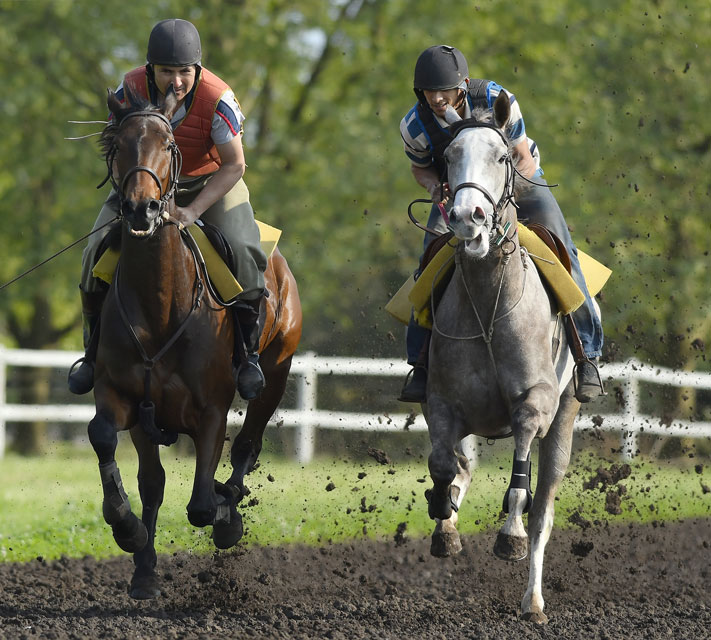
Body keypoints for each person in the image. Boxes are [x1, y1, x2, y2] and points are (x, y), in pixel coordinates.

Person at [68, 18, 268, 401]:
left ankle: (249, 356)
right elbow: (114, 151)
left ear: (197, 69)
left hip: (209, 182)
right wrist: (130, 191)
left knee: (244, 249)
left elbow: (235, 165)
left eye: (184, 72)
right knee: (93, 250)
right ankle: (91, 352)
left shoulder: (219, 99)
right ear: (149, 69)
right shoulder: (128, 89)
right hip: (143, 183)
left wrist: (193, 211)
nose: (175, 81)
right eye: (165, 72)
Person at [398, 44, 604, 404]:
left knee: (563, 249)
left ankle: (587, 356)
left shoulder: (498, 98)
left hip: (517, 183)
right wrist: (436, 188)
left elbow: (522, 157)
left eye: (443, 90)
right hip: (459, 193)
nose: (435, 98)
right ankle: (420, 362)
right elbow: (420, 167)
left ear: (462, 85)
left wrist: (502, 201)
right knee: (428, 261)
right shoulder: (414, 125)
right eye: (428, 92)